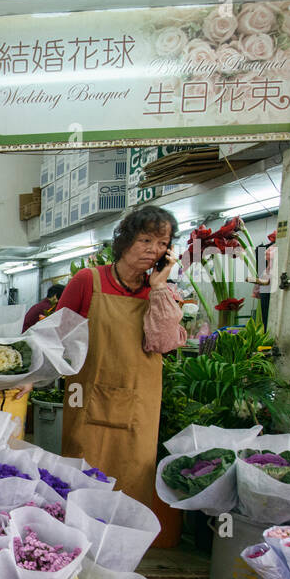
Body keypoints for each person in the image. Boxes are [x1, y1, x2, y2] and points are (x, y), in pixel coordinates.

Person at [58, 205, 178, 508]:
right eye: (146, 240)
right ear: (125, 240)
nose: (153, 250)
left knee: (131, 486)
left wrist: (159, 287)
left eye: (162, 244)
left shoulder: (162, 293)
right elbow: (55, 336)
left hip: (139, 411)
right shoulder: (89, 281)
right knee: (82, 484)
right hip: (88, 404)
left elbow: (163, 343)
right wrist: (32, 378)